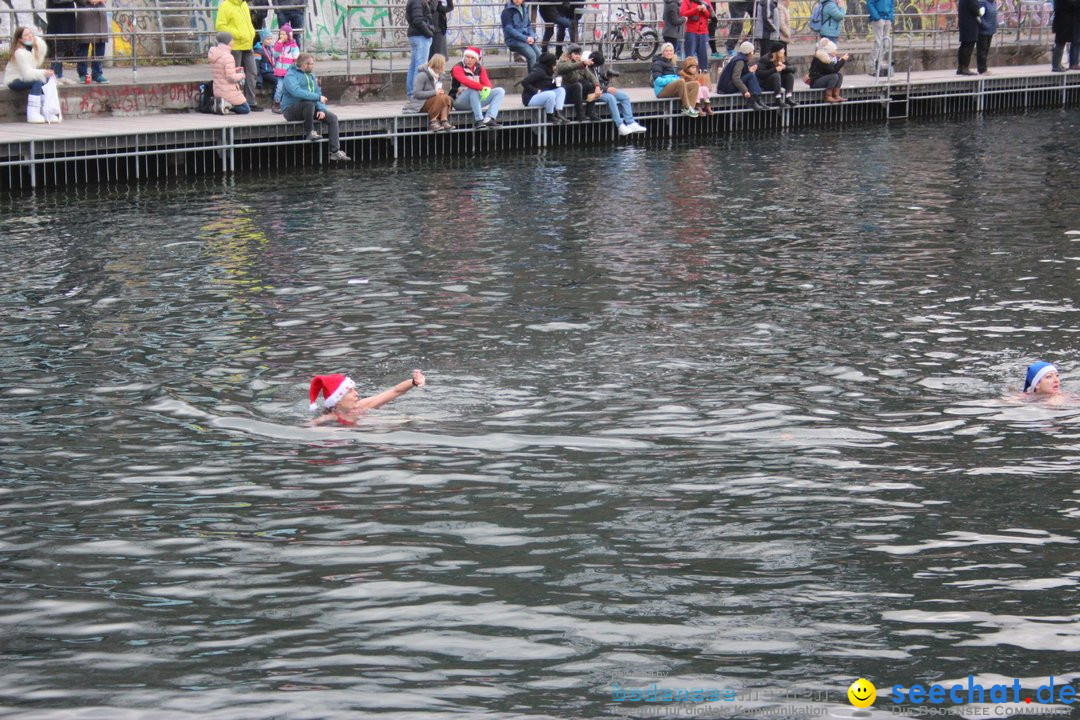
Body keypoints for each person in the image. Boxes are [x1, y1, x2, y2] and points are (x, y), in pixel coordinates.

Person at [281, 53, 352, 161]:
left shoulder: (311, 76)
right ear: (305, 65)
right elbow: (296, 92)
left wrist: (321, 109)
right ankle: (310, 132)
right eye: (312, 64)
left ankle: (335, 152)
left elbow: (317, 92)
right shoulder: (290, 75)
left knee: (332, 118)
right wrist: (317, 98)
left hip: (309, 108)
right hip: (291, 110)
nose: (313, 66)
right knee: (308, 103)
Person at [309, 371, 427, 426]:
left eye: (354, 389)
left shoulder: (361, 405)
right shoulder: (331, 417)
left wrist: (413, 382)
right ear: (337, 400)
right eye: (350, 391)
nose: (356, 394)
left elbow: (395, 391)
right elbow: (311, 426)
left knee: (411, 419)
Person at [3, 26, 54, 123]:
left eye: (30, 34)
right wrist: (43, 72)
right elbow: (28, 73)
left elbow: (38, 61)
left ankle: (46, 111)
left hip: (24, 78)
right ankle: (33, 113)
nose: (30, 36)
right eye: (26, 35)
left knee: (46, 80)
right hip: (14, 80)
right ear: (20, 39)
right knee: (37, 81)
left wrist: (38, 43)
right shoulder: (19, 52)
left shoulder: (30, 50)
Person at [216, 0, 261, 109]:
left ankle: (250, 101)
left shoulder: (244, 4)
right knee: (234, 76)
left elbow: (248, 23)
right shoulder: (225, 5)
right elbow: (220, 26)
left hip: (248, 45)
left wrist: (251, 32)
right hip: (235, 46)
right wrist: (238, 34)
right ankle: (236, 101)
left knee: (252, 73)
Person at [589, 50, 646, 133]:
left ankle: (630, 123)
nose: (598, 66)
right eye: (597, 64)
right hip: (594, 92)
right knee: (611, 98)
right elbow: (589, 85)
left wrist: (606, 77)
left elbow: (600, 79)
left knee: (624, 97)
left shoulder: (597, 67)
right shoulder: (587, 69)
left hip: (603, 90)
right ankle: (619, 125)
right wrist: (606, 89)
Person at [450, 46, 505, 129]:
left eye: (472, 58)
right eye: (467, 57)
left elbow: (487, 83)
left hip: (475, 100)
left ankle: (489, 118)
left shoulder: (480, 68)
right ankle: (479, 120)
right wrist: (482, 88)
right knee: (473, 89)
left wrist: (487, 89)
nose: (469, 60)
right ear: (464, 57)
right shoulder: (457, 68)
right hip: (459, 101)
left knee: (500, 91)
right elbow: (466, 82)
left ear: (476, 59)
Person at [404, 53, 455, 132]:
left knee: (446, 97)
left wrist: (439, 92)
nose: (444, 66)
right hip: (420, 104)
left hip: (433, 102)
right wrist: (435, 92)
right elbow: (416, 93)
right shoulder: (422, 76)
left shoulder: (440, 77)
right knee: (440, 97)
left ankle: (444, 120)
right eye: (443, 64)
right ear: (438, 65)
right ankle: (433, 121)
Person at [716, 40, 767, 110]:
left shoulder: (739, 58)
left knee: (750, 74)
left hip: (726, 86)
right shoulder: (740, 61)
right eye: (752, 51)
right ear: (748, 52)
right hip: (726, 88)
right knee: (751, 75)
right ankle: (754, 99)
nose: (753, 54)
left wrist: (749, 70)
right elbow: (735, 78)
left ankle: (756, 98)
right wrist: (745, 91)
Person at [521, 51, 570, 124]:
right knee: (551, 94)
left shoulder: (549, 71)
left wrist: (557, 84)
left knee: (561, 90)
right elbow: (524, 82)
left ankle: (558, 112)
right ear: (550, 63)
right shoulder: (539, 71)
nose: (556, 64)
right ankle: (549, 115)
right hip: (530, 98)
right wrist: (536, 91)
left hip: (543, 95)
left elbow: (547, 85)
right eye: (554, 62)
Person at [652, 42, 700, 116]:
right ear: (663, 52)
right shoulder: (657, 63)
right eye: (666, 51)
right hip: (661, 91)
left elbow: (675, 77)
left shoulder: (672, 63)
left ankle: (691, 108)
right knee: (680, 82)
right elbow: (658, 81)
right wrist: (674, 80)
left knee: (695, 84)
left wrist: (679, 78)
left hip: (672, 88)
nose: (669, 53)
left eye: (671, 51)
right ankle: (686, 108)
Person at [208, 31, 250, 114]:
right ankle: (225, 105)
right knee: (246, 109)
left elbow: (220, 72)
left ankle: (219, 103)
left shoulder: (214, 54)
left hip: (217, 89)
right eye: (232, 40)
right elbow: (231, 78)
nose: (233, 42)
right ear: (227, 42)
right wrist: (242, 75)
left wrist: (234, 70)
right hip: (228, 90)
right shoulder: (228, 57)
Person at [556, 44, 601, 122]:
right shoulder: (563, 62)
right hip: (564, 92)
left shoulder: (580, 63)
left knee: (590, 85)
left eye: (579, 54)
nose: (578, 56)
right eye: (575, 54)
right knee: (577, 85)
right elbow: (568, 67)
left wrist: (597, 86)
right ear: (570, 54)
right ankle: (580, 114)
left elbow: (590, 76)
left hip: (576, 93)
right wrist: (582, 63)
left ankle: (590, 112)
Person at [406, 0, 436, 99]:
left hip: (416, 35)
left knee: (414, 65)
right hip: (421, 36)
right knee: (420, 66)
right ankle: (416, 95)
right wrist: (429, 33)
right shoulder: (417, 2)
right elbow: (418, 20)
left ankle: (411, 93)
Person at [74, 0, 109, 83]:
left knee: (100, 45)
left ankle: (97, 73)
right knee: (83, 45)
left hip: (100, 14)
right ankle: (83, 74)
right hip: (86, 15)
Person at [501, 0, 540, 71]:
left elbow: (528, 26)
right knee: (532, 56)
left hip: (525, 39)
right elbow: (509, 30)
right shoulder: (507, 11)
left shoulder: (524, 9)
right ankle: (532, 80)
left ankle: (539, 77)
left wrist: (533, 37)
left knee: (539, 54)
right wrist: (526, 38)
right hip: (513, 40)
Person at [46, 0, 78, 85]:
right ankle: (53, 76)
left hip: (66, 16)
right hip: (57, 18)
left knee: (63, 46)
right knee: (58, 46)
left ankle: (59, 75)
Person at [807, 37, 847, 102]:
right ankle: (828, 96)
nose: (836, 52)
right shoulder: (823, 58)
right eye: (834, 50)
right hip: (815, 82)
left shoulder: (828, 57)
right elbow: (833, 70)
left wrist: (841, 60)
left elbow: (832, 69)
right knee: (834, 76)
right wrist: (842, 61)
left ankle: (836, 95)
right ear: (830, 51)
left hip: (822, 78)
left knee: (839, 75)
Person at [271, 23, 299, 113]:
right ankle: (276, 103)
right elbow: (275, 54)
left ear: (289, 35)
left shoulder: (293, 46)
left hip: (289, 71)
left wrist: (295, 68)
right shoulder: (278, 44)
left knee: (290, 88)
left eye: (284, 34)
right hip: (280, 71)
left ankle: (289, 104)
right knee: (279, 87)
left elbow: (296, 58)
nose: (282, 36)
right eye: (281, 34)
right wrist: (279, 44)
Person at [680, 0, 712, 70]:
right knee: (690, 57)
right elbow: (683, 13)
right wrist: (696, 9)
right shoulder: (686, 1)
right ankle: (688, 77)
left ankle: (703, 76)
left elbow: (710, 15)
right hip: (691, 32)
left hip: (704, 32)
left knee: (704, 57)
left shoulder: (706, 1)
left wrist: (704, 10)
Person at [867, 0, 894, 76]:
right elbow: (870, 3)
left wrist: (890, 17)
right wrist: (876, 17)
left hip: (887, 18)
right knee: (878, 43)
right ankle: (871, 66)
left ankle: (878, 65)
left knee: (886, 44)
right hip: (879, 18)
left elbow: (891, 4)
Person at [1051, 0, 1079, 71]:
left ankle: (1058, 65)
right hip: (1063, 21)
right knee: (1060, 43)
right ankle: (1056, 65)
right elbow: (1071, 4)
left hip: (1066, 21)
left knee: (1061, 43)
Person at [956, 0, 982, 74]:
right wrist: (980, 12)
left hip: (964, 24)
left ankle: (960, 67)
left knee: (963, 45)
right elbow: (976, 10)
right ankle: (965, 67)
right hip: (970, 25)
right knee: (968, 46)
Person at [976, 0, 997, 74]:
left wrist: (994, 27)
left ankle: (984, 67)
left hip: (990, 31)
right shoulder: (983, 3)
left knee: (986, 50)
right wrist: (984, 25)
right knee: (982, 50)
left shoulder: (994, 3)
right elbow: (979, 17)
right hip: (983, 31)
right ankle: (982, 69)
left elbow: (994, 17)